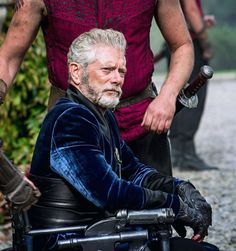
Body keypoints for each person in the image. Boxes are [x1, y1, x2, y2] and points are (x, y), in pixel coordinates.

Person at [25, 28, 219, 251]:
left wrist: (181, 188)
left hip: (98, 236)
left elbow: (134, 171)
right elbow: (109, 193)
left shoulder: (102, 115)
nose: (117, 79)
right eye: (107, 70)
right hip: (68, 242)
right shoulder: (71, 119)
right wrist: (175, 206)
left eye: (121, 71)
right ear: (76, 73)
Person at [0, 0, 195, 178]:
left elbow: (182, 45)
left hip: (141, 123)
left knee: (161, 209)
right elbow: (8, 58)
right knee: (63, 213)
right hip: (71, 127)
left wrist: (167, 98)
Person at [168, 0, 218, 171]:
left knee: (176, 92)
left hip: (174, 41)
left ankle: (176, 153)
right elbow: (190, 9)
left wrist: (201, 22)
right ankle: (187, 154)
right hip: (188, 44)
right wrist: (205, 43)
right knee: (194, 96)